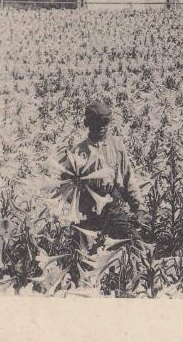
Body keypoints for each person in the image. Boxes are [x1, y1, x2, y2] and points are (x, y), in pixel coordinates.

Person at [59, 101, 146, 239]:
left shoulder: (117, 146)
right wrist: (78, 200)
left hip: (112, 205)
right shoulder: (77, 151)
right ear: (88, 124)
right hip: (87, 211)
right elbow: (64, 184)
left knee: (134, 243)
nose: (101, 127)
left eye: (105, 122)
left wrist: (138, 207)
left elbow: (128, 178)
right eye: (96, 123)